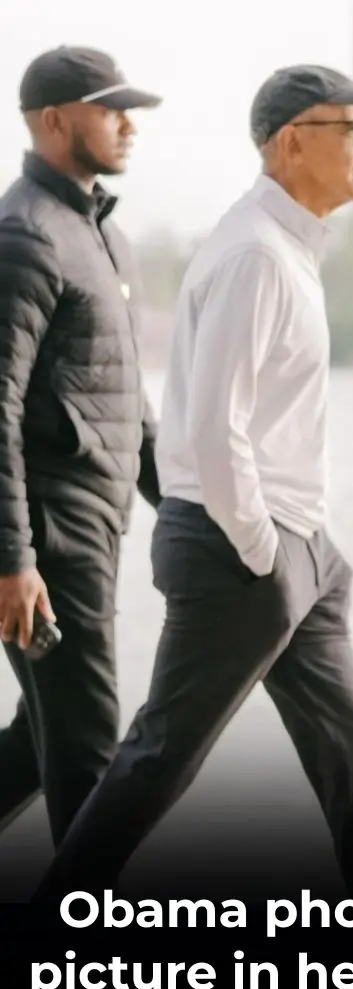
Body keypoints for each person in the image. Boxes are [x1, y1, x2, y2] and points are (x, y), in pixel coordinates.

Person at [33, 65, 353, 902]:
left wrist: (303, 552)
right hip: (244, 549)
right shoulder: (254, 256)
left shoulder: (284, 248)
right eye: (351, 130)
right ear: (291, 143)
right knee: (156, 761)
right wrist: (263, 552)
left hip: (298, 550)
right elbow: (212, 429)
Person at [0, 46, 163, 847]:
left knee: (45, 739)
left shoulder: (100, 235)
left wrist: (188, 505)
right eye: (111, 109)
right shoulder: (23, 236)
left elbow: (128, 400)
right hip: (49, 531)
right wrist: (13, 560)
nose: (128, 126)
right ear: (56, 120)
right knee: (90, 751)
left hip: (92, 525)